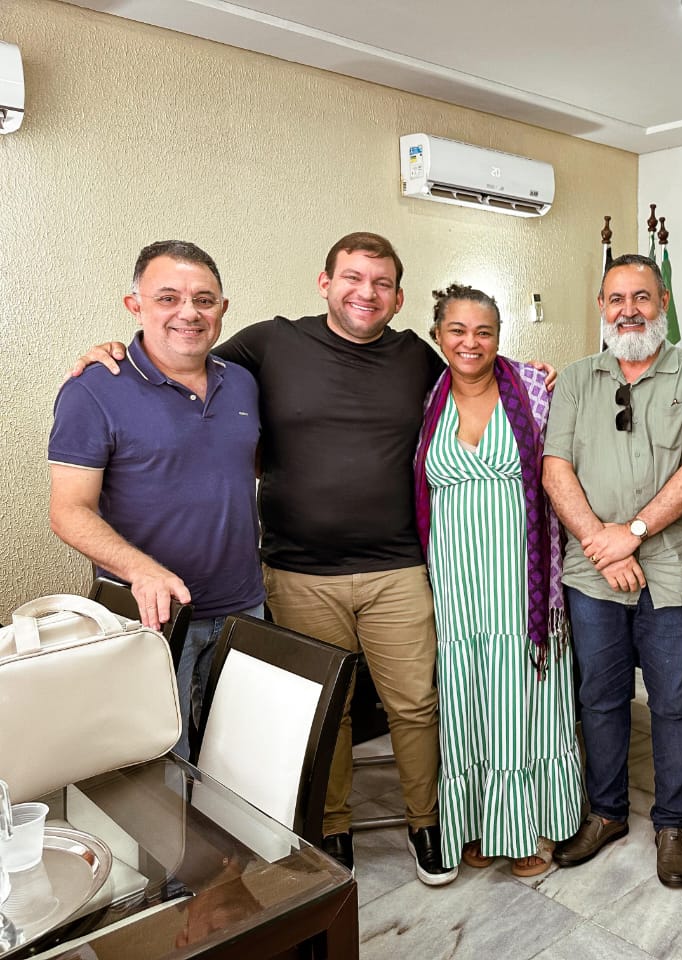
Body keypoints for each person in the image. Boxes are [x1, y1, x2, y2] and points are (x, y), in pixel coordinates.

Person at [70, 232, 556, 885]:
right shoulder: (268, 345)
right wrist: (107, 353)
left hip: (397, 568)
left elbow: (473, 369)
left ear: (399, 298)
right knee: (328, 710)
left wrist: (530, 376)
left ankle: (428, 821)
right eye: (352, 277)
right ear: (325, 283)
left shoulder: (415, 356)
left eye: (382, 283)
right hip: (298, 573)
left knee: (416, 704)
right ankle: (332, 826)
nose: (366, 292)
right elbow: (179, 350)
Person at [542, 253, 682, 887]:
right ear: (601, 307)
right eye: (616, 299)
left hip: (672, 568)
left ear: (663, 303)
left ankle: (672, 823)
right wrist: (602, 542)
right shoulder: (576, 378)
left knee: (674, 702)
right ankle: (607, 813)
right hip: (593, 569)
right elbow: (555, 468)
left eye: (642, 297)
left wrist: (634, 533)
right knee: (599, 697)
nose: (629, 310)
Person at [49, 240, 264, 761]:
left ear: (223, 309)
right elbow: (68, 510)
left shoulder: (242, 383)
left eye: (204, 300)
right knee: (163, 766)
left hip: (244, 607)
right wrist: (141, 571)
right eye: (168, 298)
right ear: (135, 305)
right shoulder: (93, 389)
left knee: (244, 760)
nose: (189, 312)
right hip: (152, 618)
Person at [411, 283, 582, 877]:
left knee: (521, 694)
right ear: (438, 335)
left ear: (499, 337)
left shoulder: (534, 388)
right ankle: (483, 821)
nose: (471, 342)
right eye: (457, 330)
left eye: (484, 331)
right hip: (456, 584)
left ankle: (530, 828)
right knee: (466, 698)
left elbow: (566, 467)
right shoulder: (424, 397)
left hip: (521, 584)